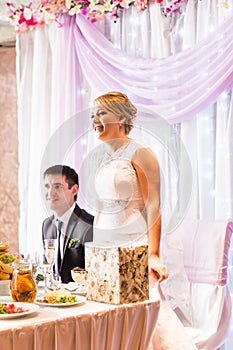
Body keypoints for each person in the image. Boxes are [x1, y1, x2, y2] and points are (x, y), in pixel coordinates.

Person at [90, 91, 198, 350]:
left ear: (122, 117)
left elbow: (153, 206)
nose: (95, 119)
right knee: (111, 318)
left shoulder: (141, 153)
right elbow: (101, 208)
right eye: (93, 114)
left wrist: (154, 253)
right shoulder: (99, 157)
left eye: (102, 113)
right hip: (104, 249)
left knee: (144, 318)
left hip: (133, 246)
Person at [42, 165, 94, 284]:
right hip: (54, 297)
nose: (50, 193)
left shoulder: (89, 224)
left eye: (57, 187)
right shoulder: (47, 225)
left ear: (74, 190)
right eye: (47, 186)